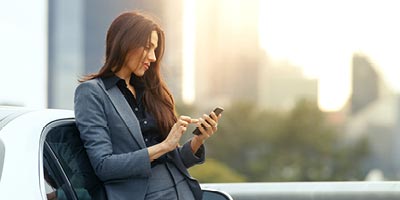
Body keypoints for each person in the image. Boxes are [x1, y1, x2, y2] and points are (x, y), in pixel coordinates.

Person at [74, 11, 221, 200]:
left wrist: (198, 140)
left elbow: (173, 160)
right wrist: (165, 145)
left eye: (155, 50)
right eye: (147, 47)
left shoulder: (150, 91)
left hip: (182, 192)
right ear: (124, 43)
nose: (152, 57)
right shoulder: (92, 92)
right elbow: (103, 166)